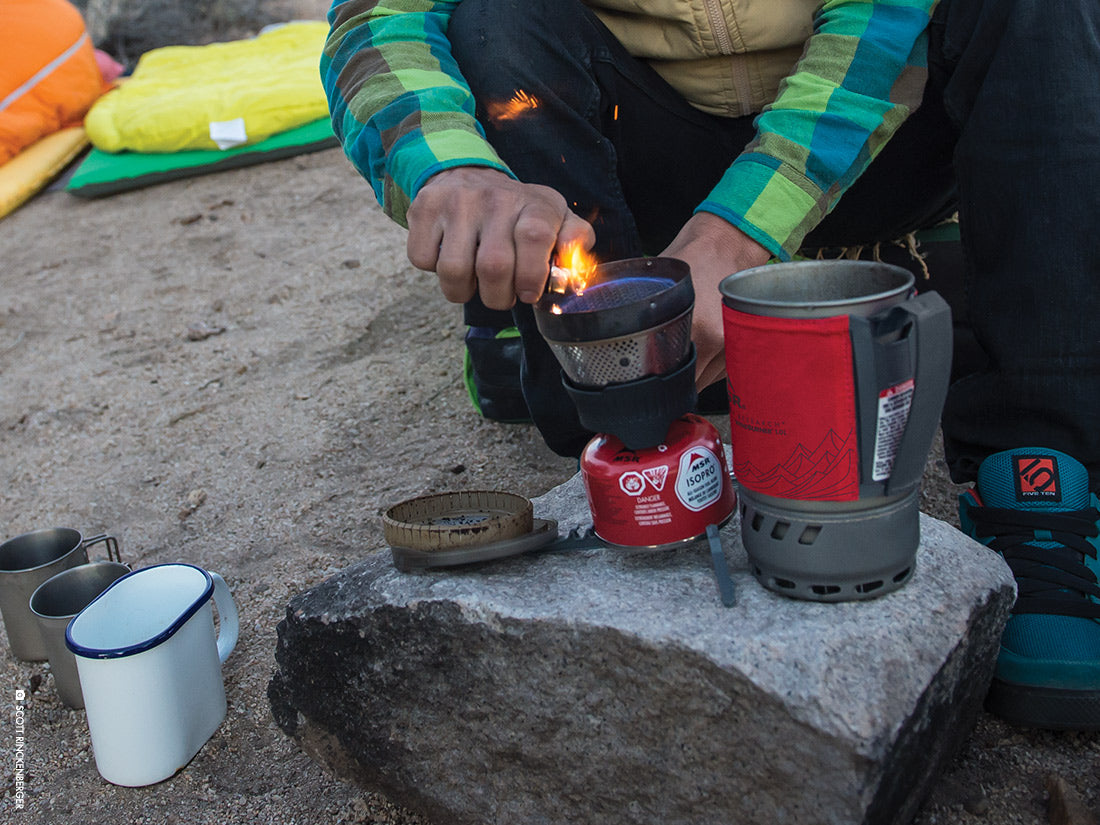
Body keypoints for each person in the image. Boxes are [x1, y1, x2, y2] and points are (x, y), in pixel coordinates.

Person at [321, 0, 1100, 729]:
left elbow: (886, 19)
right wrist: (455, 167)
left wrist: (735, 235)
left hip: (870, 127)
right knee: (496, 18)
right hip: (636, 156)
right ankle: (603, 372)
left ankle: (1034, 465)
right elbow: (379, 15)